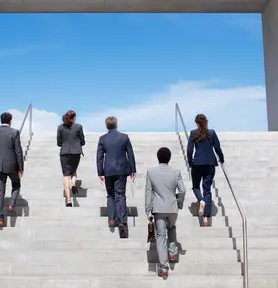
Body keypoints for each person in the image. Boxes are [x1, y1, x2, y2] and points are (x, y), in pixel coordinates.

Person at [145, 147, 186, 279]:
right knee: (172, 227)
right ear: (169, 158)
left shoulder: (151, 172)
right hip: (172, 208)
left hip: (158, 209)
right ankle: (172, 251)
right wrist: (179, 202)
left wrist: (148, 209)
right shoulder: (176, 172)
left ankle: (163, 267)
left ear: (158, 158)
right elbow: (183, 190)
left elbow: (148, 191)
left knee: (161, 236)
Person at [96, 116, 136, 238]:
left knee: (110, 195)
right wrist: (133, 169)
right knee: (120, 194)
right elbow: (130, 153)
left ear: (106, 125)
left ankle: (112, 219)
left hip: (108, 170)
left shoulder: (102, 139)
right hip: (122, 169)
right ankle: (123, 221)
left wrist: (100, 173)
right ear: (116, 124)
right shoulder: (124, 137)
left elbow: (99, 157)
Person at [0, 112, 24, 228]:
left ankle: (0, 219)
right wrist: (21, 168)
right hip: (12, 165)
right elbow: (18, 151)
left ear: (1, 120)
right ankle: (12, 204)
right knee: (16, 185)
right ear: (10, 120)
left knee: (0, 192)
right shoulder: (14, 132)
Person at [187, 113, 224, 227]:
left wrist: (190, 162)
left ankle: (201, 201)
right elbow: (217, 147)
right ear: (206, 122)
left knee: (196, 186)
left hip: (197, 163)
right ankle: (206, 218)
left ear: (197, 123)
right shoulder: (211, 133)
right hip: (209, 163)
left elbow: (189, 150)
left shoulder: (193, 133)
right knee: (207, 190)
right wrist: (221, 158)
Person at [57, 110, 86, 207]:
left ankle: (68, 201)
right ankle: (73, 184)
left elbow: (59, 143)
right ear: (74, 117)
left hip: (64, 152)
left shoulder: (60, 127)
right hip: (76, 152)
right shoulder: (78, 126)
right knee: (73, 171)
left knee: (66, 175)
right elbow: (82, 141)